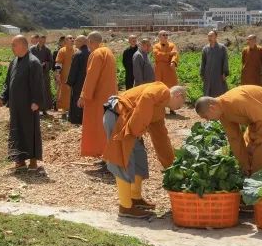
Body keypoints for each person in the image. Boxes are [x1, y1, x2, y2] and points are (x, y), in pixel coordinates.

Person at [103, 82, 187, 217]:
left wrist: (171, 166)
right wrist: (134, 130)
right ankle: (125, 206)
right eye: (180, 104)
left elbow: (161, 140)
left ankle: (135, 198)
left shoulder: (159, 110)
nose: (178, 108)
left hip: (129, 121)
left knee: (139, 155)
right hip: (118, 115)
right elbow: (147, 97)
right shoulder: (163, 90)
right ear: (178, 95)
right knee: (124, 159)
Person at [195, 85, 262, 175]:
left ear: (212, 108)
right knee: (248, 152)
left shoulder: (235, 100)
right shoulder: (222, 113)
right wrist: (243, 164)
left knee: (260, 158)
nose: (208, 120)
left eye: (206, 117)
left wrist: (255, 143)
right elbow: (234, 138)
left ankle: (259, 182)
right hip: (257, 120)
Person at [0, 35, 44, 170]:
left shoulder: (33, 62)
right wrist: (3, 97)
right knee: (16, 131)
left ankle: (33, 160)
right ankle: (19, 160)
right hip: (15, 104)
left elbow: (38, 84)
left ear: (23, 45)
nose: (12, 48)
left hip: (28, 105)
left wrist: (36, 101)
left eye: (14, 45)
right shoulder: (13, 62)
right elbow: (8, 82)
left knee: (30, 130)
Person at [78, 32, 117, 158]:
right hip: (110, 97)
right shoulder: (108, 52)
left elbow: (91, 76)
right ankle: (107, 156)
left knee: (99, 128)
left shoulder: (97, 54)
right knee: (107, 127)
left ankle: (105, 156)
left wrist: (83, 96)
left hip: (98, 98)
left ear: (90, 42)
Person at [66, 35, 90, 125]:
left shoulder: (78, 54)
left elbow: (73, 70)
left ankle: (77, 120)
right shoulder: (91, 52)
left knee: (77, 100)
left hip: (78, 82)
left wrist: (70, 82)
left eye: (76, 41)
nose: (74, 42)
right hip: (88, 81)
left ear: (81, 42)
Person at [201, 30, 230, 97]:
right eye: (208, 36)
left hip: (218, 74)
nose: (209, 38)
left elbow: (225, 60)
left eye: (211, 36)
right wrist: (202, 73)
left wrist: (224, 73)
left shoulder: (222, 48)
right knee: (208, 91)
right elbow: (203, 62)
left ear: (216, 36)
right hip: (208, 74)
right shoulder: (205, 49)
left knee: (220, 92)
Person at [30, 34, 54, 114]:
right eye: (41, 40)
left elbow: (51, 62)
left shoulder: (47, 50)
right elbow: (28, 60)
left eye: (44, 40)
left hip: (44, 74)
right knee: (35, 90)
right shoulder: (32, 49)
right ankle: (34, 109)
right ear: (38, 40)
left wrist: (45, 64)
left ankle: (44, 109)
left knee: (45, 91)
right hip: (34, 74)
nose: (42, 42)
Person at [54, 35, 75, 113]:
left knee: (73, 93)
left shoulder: (76, 50)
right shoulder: (62, 50)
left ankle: (71, 110)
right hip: (64, 76)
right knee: (64, 93)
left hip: (74, 77)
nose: (72, 39)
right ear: (65, 41)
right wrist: (58, 75)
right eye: (70, 38)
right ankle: (63, 111)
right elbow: (58, 64)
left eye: (73, 38)